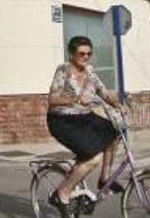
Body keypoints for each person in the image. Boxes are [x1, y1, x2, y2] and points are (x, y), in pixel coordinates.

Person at [47, 36, 125, 217]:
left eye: (89, 54)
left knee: (114, 131)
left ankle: (104, 178)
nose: (85, 57)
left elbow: (104, 93)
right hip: (62, 120)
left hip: (84, 117)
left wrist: (119, 106)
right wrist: (75, 99)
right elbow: (52, 99)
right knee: (92, 158)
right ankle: (63, 193)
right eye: (81, 53)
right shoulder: (64, 70)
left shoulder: (90, 71)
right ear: (72, 54)